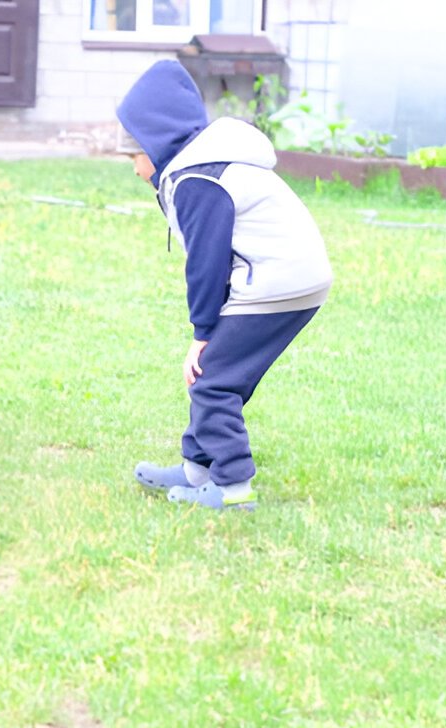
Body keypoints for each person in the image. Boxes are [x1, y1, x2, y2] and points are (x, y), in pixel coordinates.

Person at [116, 60, 332, 511]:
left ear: (155, 145)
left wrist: (202, 334)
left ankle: (232, 489)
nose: (136, 170)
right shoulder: (202, 165)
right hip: (292, 275)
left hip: (276, 278)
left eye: (134, 157)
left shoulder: (197, 177)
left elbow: (207, 264)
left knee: (212, 380)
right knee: (217, 374)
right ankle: (198, 470)